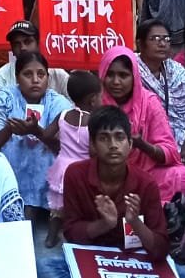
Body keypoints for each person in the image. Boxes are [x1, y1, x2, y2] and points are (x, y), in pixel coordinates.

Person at [58, 105, 171, 260]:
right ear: (92, 144)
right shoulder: (75, 174)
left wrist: (135, 223)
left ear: (130, 144)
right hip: (91, 255)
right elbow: (71, 233)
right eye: (104, 138)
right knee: (44, 267)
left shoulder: (146, 183)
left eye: (119, 137)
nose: (113, 145)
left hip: (133, 259)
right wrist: (105, 224)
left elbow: (161, 249)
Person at [97, 46, 185, 199]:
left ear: (134, 76)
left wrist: (142, 145)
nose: (116, 82)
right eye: (110, 75)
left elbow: (169, 150)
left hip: (147, 173)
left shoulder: (149, 102)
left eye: (123, 75)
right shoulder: (95, 101)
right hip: (105, 174)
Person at [0, 50, 69, 218]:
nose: (35, 80)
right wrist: (9, 129)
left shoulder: (59, 103)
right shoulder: (5, 99)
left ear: (48, 77)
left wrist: (37, 132)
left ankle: (48, 210)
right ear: (17, 78)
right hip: (11, 178)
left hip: (49, 181)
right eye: (27, 74)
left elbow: (67, 150)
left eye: (41, 74)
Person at [134, 19, 185, 167]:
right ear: (140, 44)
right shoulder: (131, 68)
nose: (162, 44)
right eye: (155, 39)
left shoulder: (175, 68)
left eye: (166, 39)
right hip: (152, 134)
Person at [46, 71, 102, 247]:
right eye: (101, 97)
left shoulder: (63, 115)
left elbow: (47, 134)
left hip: (62, 166)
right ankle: (76, 237)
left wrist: (63, 143)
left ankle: (51, 236)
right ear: (93, 100)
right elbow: (93, 151)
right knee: (79, 206)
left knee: (57, 208)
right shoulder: (93, 121)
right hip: (82, 170)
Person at [0, 20, 70, 98]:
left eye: (27, 42)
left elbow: (74, 108)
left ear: (38, 44)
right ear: (12, 49)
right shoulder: (1, 77)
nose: (22, 47)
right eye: (17, 44)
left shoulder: (58, 74)